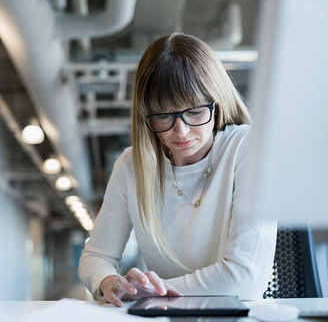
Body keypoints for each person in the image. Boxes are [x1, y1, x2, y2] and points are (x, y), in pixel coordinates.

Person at [78, 33, 277, 307]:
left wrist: (148, 292)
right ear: (146, 117)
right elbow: (95, 256)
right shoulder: (130, 166)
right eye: (162, 116)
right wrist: (108, 282)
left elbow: (245, 279)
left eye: (195, 112)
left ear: (216, 104)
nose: (180, 131)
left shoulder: (249, 148)